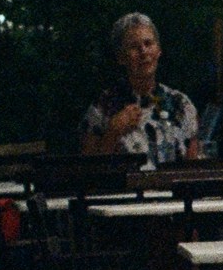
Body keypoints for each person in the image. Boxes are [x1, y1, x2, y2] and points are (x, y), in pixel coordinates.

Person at [76, 12, 203, 169]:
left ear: (158, 51)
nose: (144, 52)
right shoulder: (103, 107)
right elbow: (86, 172)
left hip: (171, 192)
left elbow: (194, 170)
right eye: (134, 47)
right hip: (123, 192)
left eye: (148, 44)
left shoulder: (180, 104)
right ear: (121, 57)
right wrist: (113, 133)